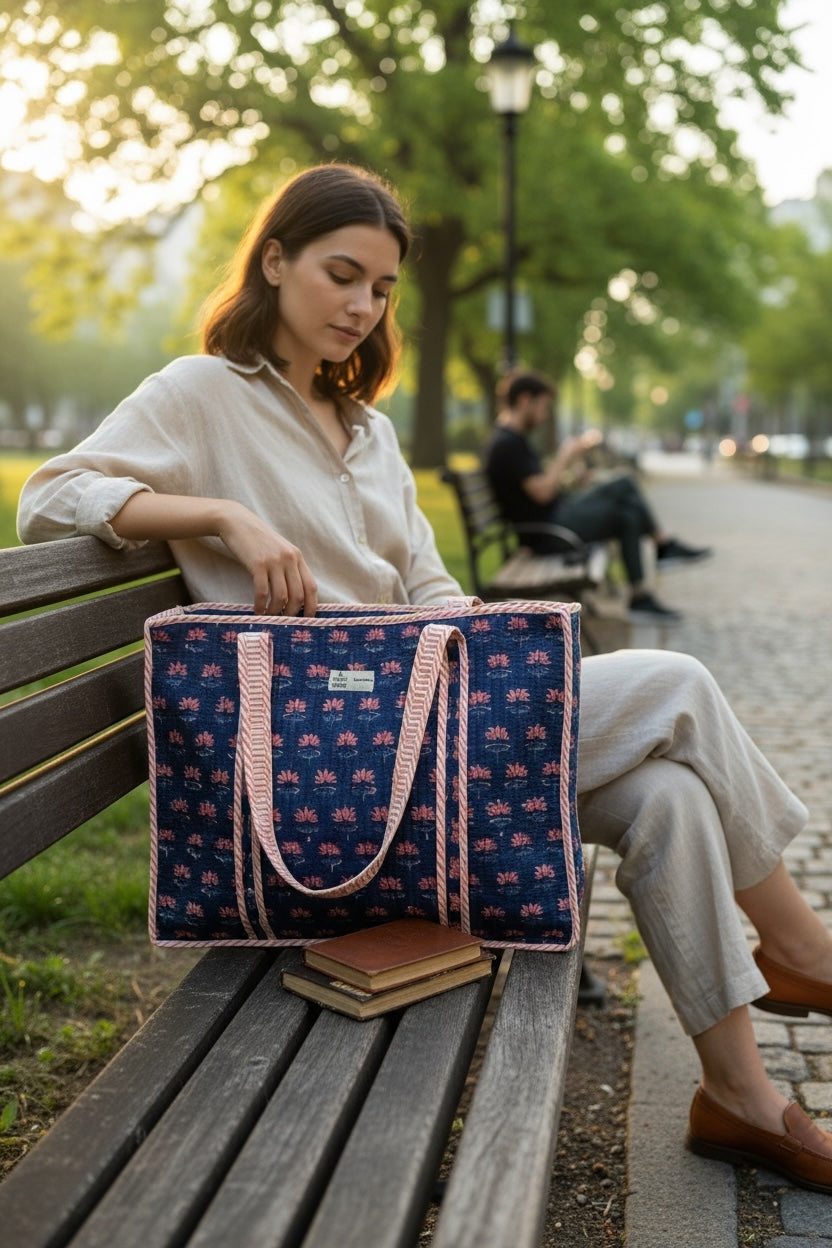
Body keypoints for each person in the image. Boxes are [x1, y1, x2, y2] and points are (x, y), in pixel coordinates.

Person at [17, 162, 832, 1194]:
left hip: (432, 724)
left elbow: (431, 583)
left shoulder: (370, 429)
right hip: (330, 759)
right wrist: (222, 516)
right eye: (341, 275)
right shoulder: (201, 397)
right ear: (274, 262)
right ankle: (801, 948)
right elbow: (51, 497)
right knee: (674, 685)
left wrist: (479, 642)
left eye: (383, 288)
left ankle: (739, 1100)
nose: (362, 306)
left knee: (666, 797)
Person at [484, 370, 712, 621]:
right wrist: (564, 456)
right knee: (624, 486)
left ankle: (641, 593)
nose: (544, 415)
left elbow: (538, 490)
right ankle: (661, 548)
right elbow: (541, 494)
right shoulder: (507, 444)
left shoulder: (514, 440)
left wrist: (573, 478)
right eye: (543, 406)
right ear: (525, 400)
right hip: (547, 534)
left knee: (627, 511)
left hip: (554, 519)